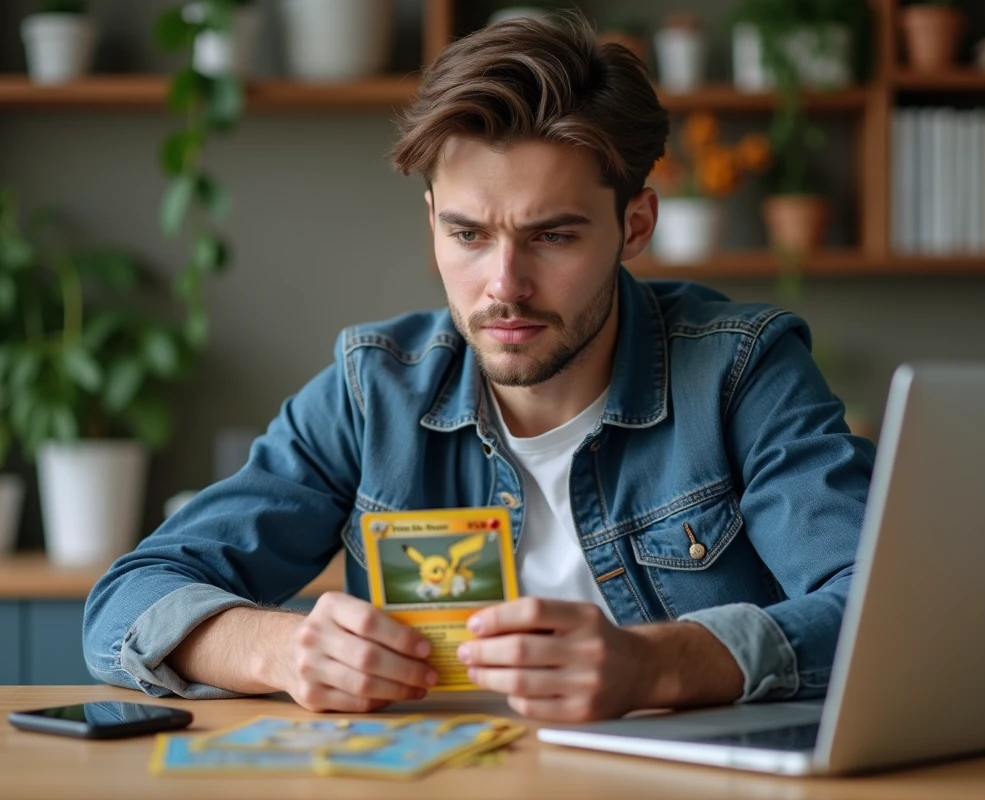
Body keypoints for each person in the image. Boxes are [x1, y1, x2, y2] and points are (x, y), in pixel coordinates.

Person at [83, 13, 875, 723]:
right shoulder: (372, 393)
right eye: (468, 235)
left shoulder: (741, 372)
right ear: (432, 220)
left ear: (635, 226)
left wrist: (657, 665)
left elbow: (878, 611)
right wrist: (282, 651)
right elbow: (127, 600)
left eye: (552, 236)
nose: (504, 286)